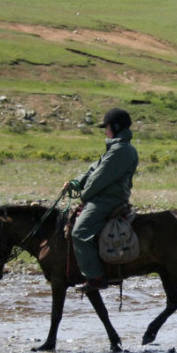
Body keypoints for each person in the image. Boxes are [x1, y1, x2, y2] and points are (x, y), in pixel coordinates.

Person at [64, 108, 139, 293]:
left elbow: (99, 180)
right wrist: (76, 182)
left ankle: (96, 277)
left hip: (108, 199)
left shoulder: (121, 151)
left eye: (106, 127)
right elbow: (93, 171)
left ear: (115, 127)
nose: (105, 131)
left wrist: (84, 195)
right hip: (103, 196)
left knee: (79, 232)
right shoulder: (114, 148)